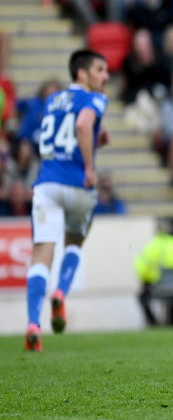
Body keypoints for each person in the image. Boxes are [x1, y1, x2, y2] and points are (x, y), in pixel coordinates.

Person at [24, 50, 110, 351]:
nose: (106, 76)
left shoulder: (52, 100)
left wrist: (95, 141)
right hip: (77, 185)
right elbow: (82, 126)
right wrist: (89, 167)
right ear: (82, 74)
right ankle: (60, 292)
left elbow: (63, 136)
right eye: (100, 70)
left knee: (41, 254)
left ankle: (33, 323)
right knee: (74, 242)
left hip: (46, 184)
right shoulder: (96, 99)